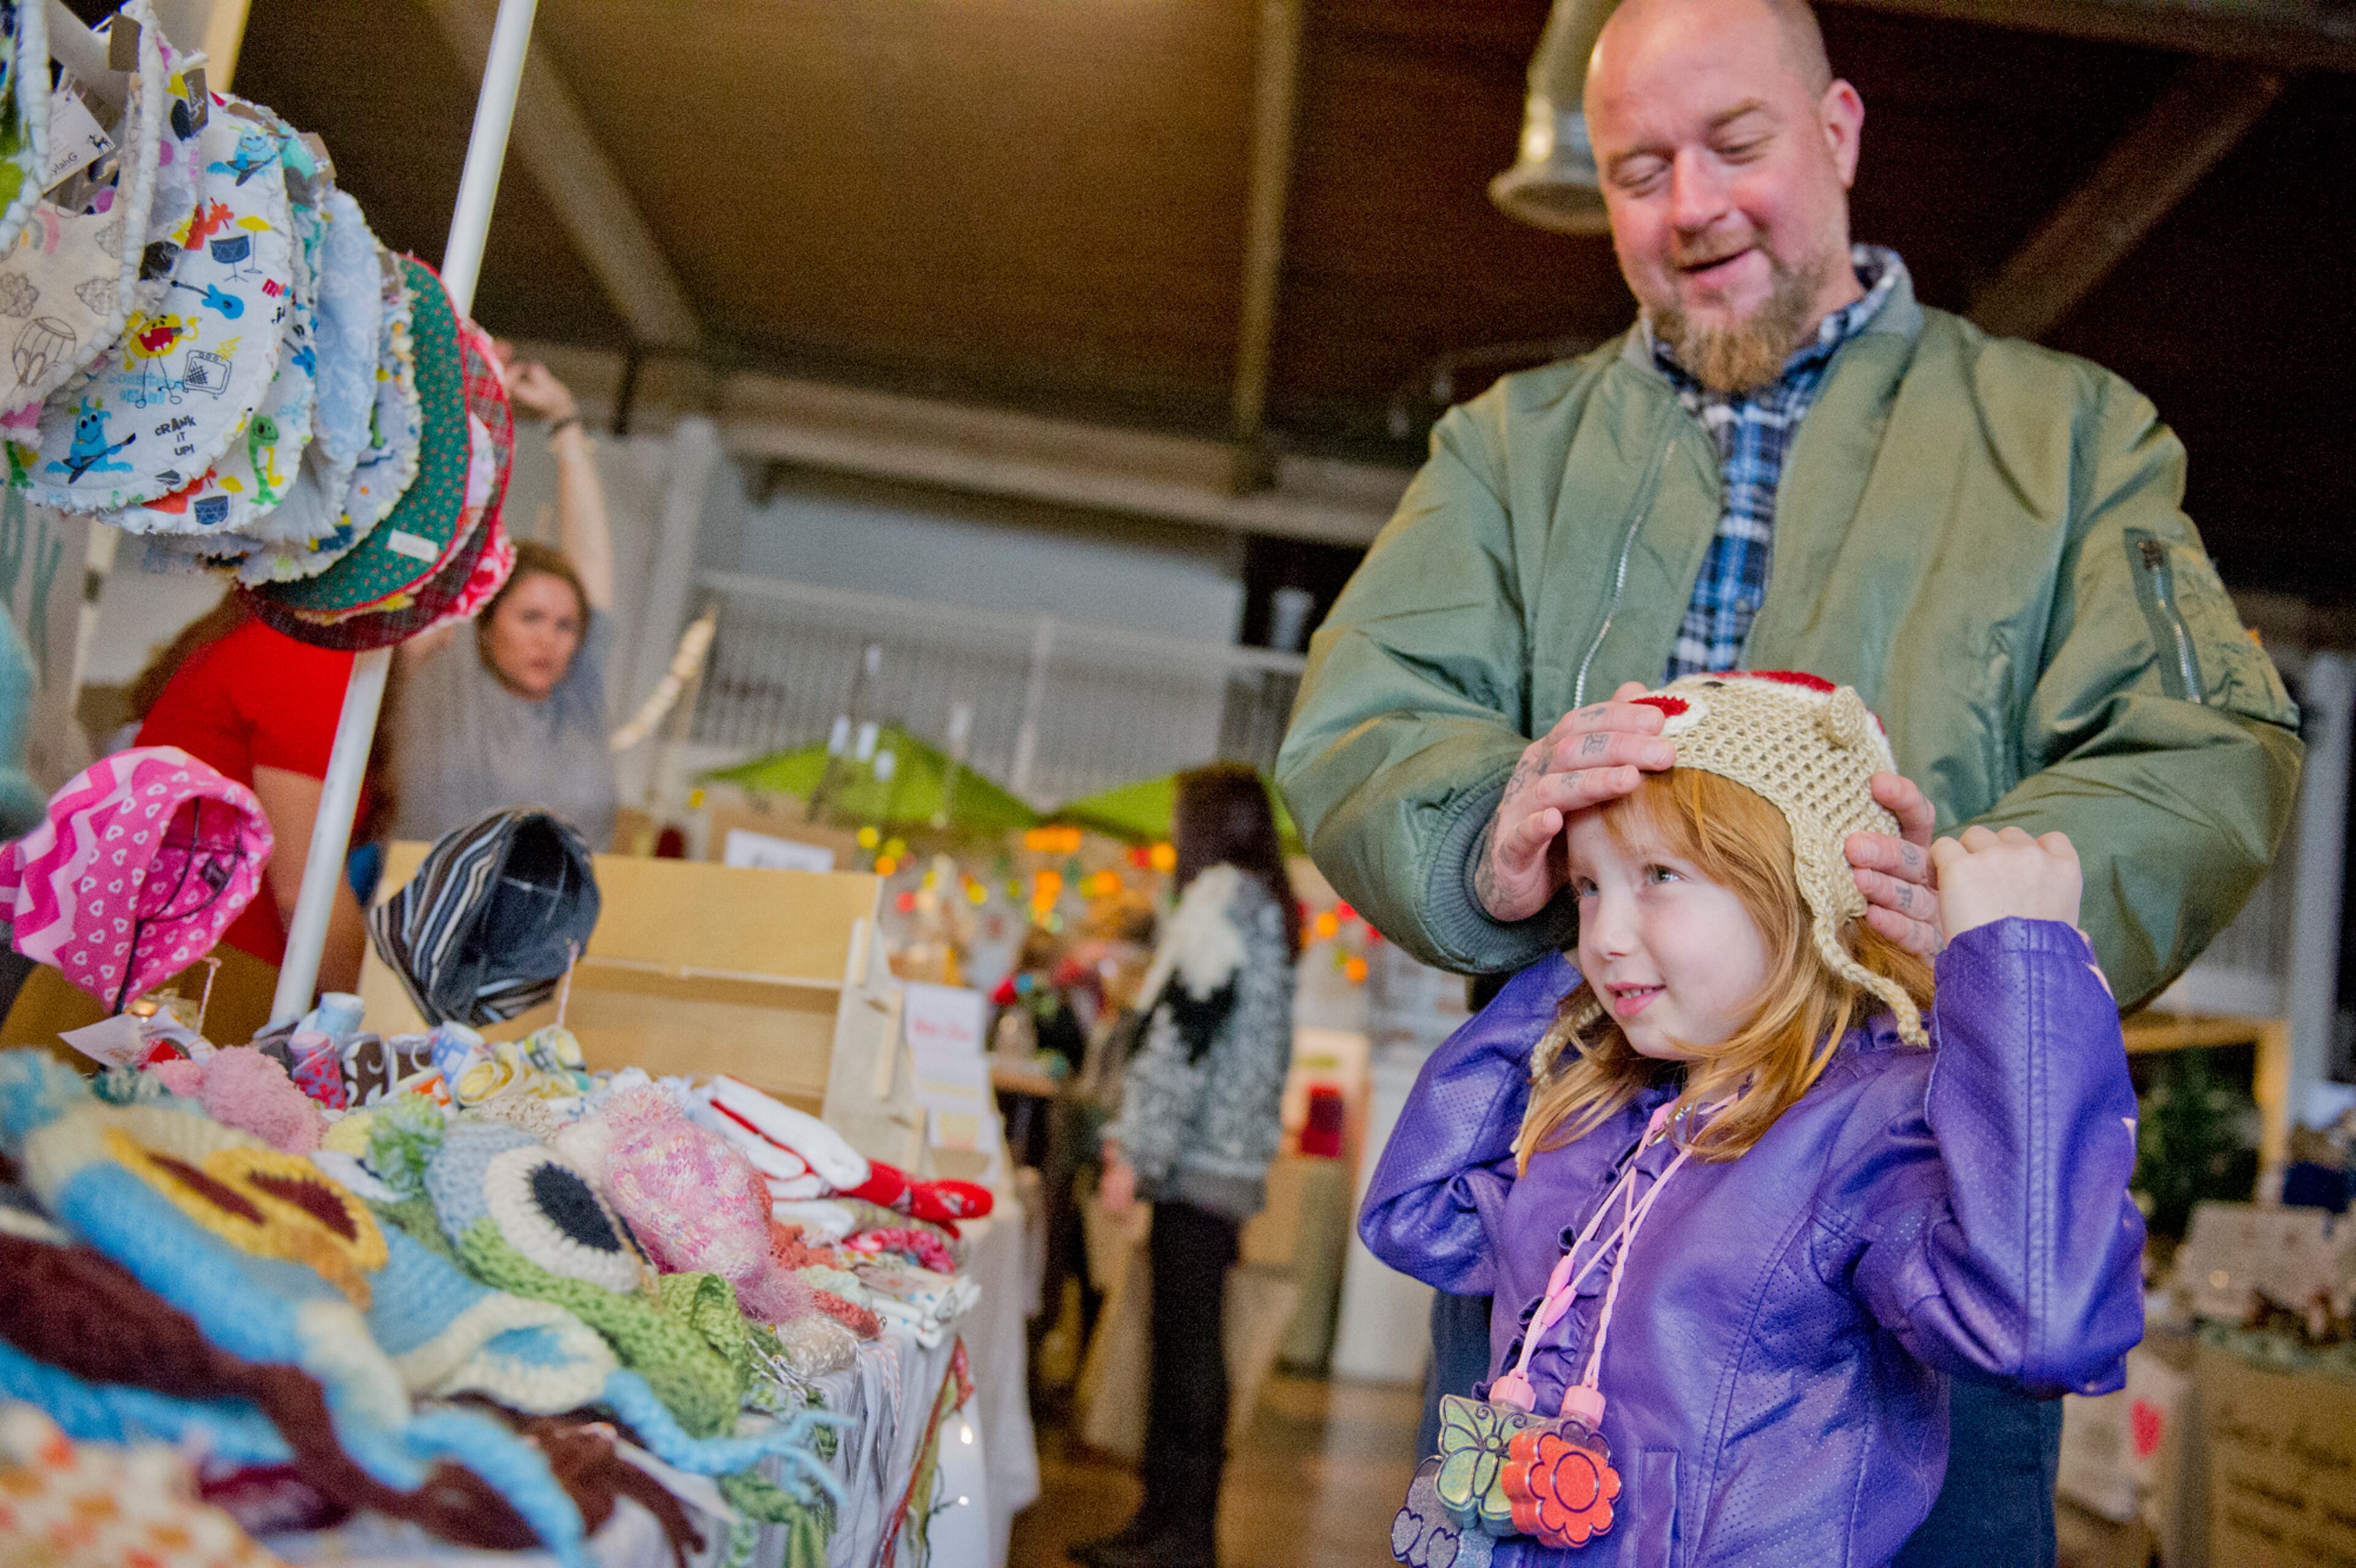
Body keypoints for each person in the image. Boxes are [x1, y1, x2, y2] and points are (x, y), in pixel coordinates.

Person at [1274, 0, 2301, 1556]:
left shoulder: (2072, 441)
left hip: (1907, 1233)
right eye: (1638, 172)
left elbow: (2207, 747)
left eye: (1735, 144)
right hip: (1560, 1242)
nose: (1690, 206)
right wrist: (1480, 830)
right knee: (1492, 1534)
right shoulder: (1504, 451)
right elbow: (1367, 715)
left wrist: (1987, 922)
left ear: (1838, 132)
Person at [1361, 673, 2144, 1567]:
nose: (1604, 935)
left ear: (1807, 891)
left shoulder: (1874, 1127)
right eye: (1586, 888)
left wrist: (2021, 971)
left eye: (1660, 876)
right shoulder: (1607, 1108)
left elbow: (2039, 1329)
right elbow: (1416, 1215)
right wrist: (1559, 966)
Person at [1080, 766, 1300, 1568]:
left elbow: (1181, 1040)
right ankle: (1166, 1522)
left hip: (1195, 1163)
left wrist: (1135, 1153)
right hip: (1226, 1163)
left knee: (1185, 1349)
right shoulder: (1267, 908)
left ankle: (1179, 1532)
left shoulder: (1220, 902)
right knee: (1189, 1343)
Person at [109, 594, 388, 1038]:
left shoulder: (259, 635)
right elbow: (305, 890)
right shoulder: (307, 653)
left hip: (159, 966)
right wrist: (377, 1025)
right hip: (198, 987)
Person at [391, 353, 620, 850]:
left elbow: (592, 564)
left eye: (566, 625)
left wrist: (565, 422)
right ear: (485, 621)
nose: (549, 639)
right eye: (531, 617)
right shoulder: (445, 670)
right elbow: (433, 523)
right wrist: (467, 401)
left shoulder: (578, 695)